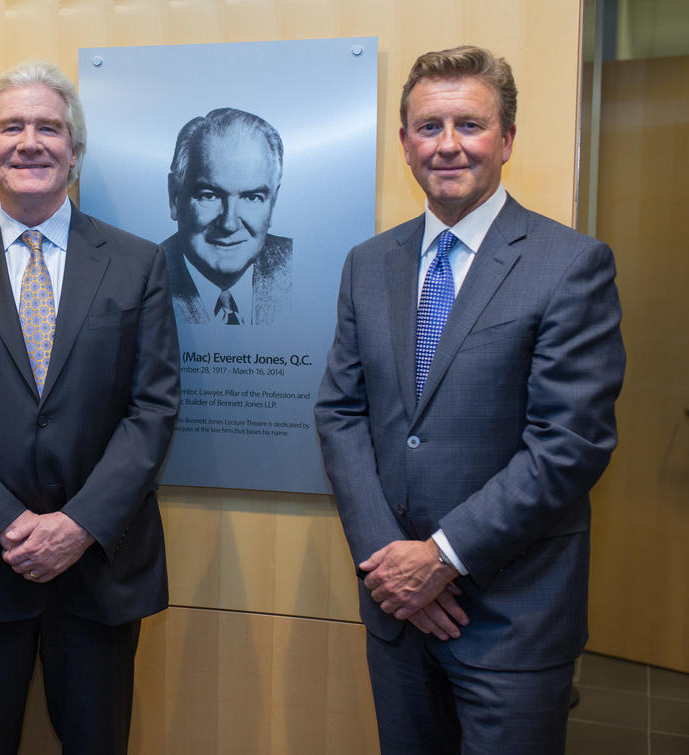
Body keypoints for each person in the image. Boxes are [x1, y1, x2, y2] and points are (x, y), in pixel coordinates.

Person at [314, 45, 625, 754]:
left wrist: (442, 556)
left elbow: (568, 444)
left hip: (513, 617)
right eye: (428, 127)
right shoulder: (369, 264)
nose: (447, 145)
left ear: (507, 139)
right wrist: (391, 561)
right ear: (403, 142)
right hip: (396, 607)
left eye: (469, 125)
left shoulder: (570, 265)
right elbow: (340, 412)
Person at [0, 61, 180, 755]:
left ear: (75, 152)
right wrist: (7, 523)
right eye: (12, 127)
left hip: (99, 571)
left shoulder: (138, 264)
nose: (30, 141)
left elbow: (154, 406)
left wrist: (78, 524)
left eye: (49, 127)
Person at [163, 107, 292, 325]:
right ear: (175, 197)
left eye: (252, 197)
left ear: (273, 202)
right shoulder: (144, 276)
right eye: (209, 195)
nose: (229, 224)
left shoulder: (292, 266)